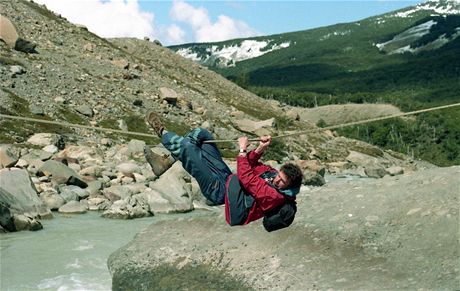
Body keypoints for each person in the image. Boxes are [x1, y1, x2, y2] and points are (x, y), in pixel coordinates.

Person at [144, 110, 303, 230]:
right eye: (279, 176)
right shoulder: (273, 175)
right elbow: (251, 164)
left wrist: (242, 150)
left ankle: (162, 131)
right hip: (227, 179)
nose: (277, 180)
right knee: (201, 134)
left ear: (289, 186)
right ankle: (166, 162)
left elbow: (247, 177)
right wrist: (260, 149)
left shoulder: (274, 196)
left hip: (219, 192)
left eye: (282, 181)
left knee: (187, 147)